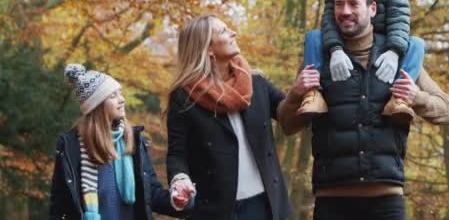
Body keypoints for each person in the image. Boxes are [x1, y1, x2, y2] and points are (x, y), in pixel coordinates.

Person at [278, 0, 449, 220]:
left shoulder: (401, 56)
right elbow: (287, 124)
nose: (345, 11)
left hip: (386, 200)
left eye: (353, 4)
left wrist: (417, 97)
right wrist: (296, 94)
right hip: (331, 201)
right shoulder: (318, 58)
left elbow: (447, 111)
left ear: (372, 9)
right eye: (339, 4)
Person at [165, 14, 291, 220]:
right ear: (208, 49)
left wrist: (302, 90)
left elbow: (289, 113)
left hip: (265, 206)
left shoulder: (256, 83)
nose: (233, 33)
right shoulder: (183, 97)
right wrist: (179, 180)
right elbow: (177, 153)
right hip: (215, 211)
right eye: (224, 31)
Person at [49, 64, 194, 220]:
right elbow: (59, 206)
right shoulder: (72, 147)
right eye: (113, 96)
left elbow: (150, 193)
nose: (122, 100)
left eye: (120, 93)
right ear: (96, 105)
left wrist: (177, 199)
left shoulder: (134, 141)